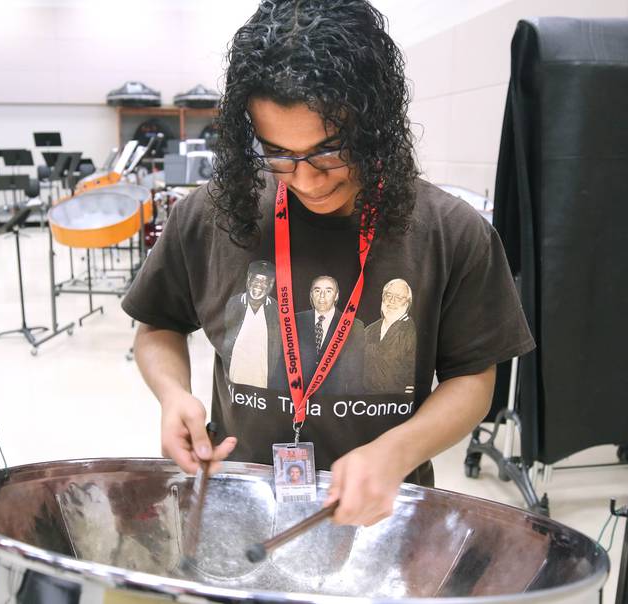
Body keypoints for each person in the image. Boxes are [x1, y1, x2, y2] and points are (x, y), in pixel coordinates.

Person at [123, 0, 534, 527]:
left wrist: (399, 450)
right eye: (279, 154)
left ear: (375, 121)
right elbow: (157, 324)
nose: (307, 180)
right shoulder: (212, 214)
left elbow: (474, 378)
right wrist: (172, 393)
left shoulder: (451, 232)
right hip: (241, 504)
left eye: (329, 152)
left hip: (381, 517)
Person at [294, 275, 364, 394]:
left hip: (335, 400)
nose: (322, 295)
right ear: (311, 295)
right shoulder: (295, 321)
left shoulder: (353, 325)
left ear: (336, 296)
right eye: (317, 290)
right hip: (301, 397)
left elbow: (356, 372)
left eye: (328, 291)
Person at [222, 260, 280, 389]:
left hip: (263, 380)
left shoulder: (276, 310)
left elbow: (278, 346)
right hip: (235, 378)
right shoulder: (233, 304)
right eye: (256, 280)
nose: (259, 285)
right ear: (248, 280)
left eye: (265, 282)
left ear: (271, 285)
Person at [364, 279, 417, 394]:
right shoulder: (369, 330)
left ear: (407, 303)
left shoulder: (414, 332)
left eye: (398, 298)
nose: (392, 301)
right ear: (383, 298)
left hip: (395, 404)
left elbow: (417, 375)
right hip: (366, 403)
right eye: (389, 295)